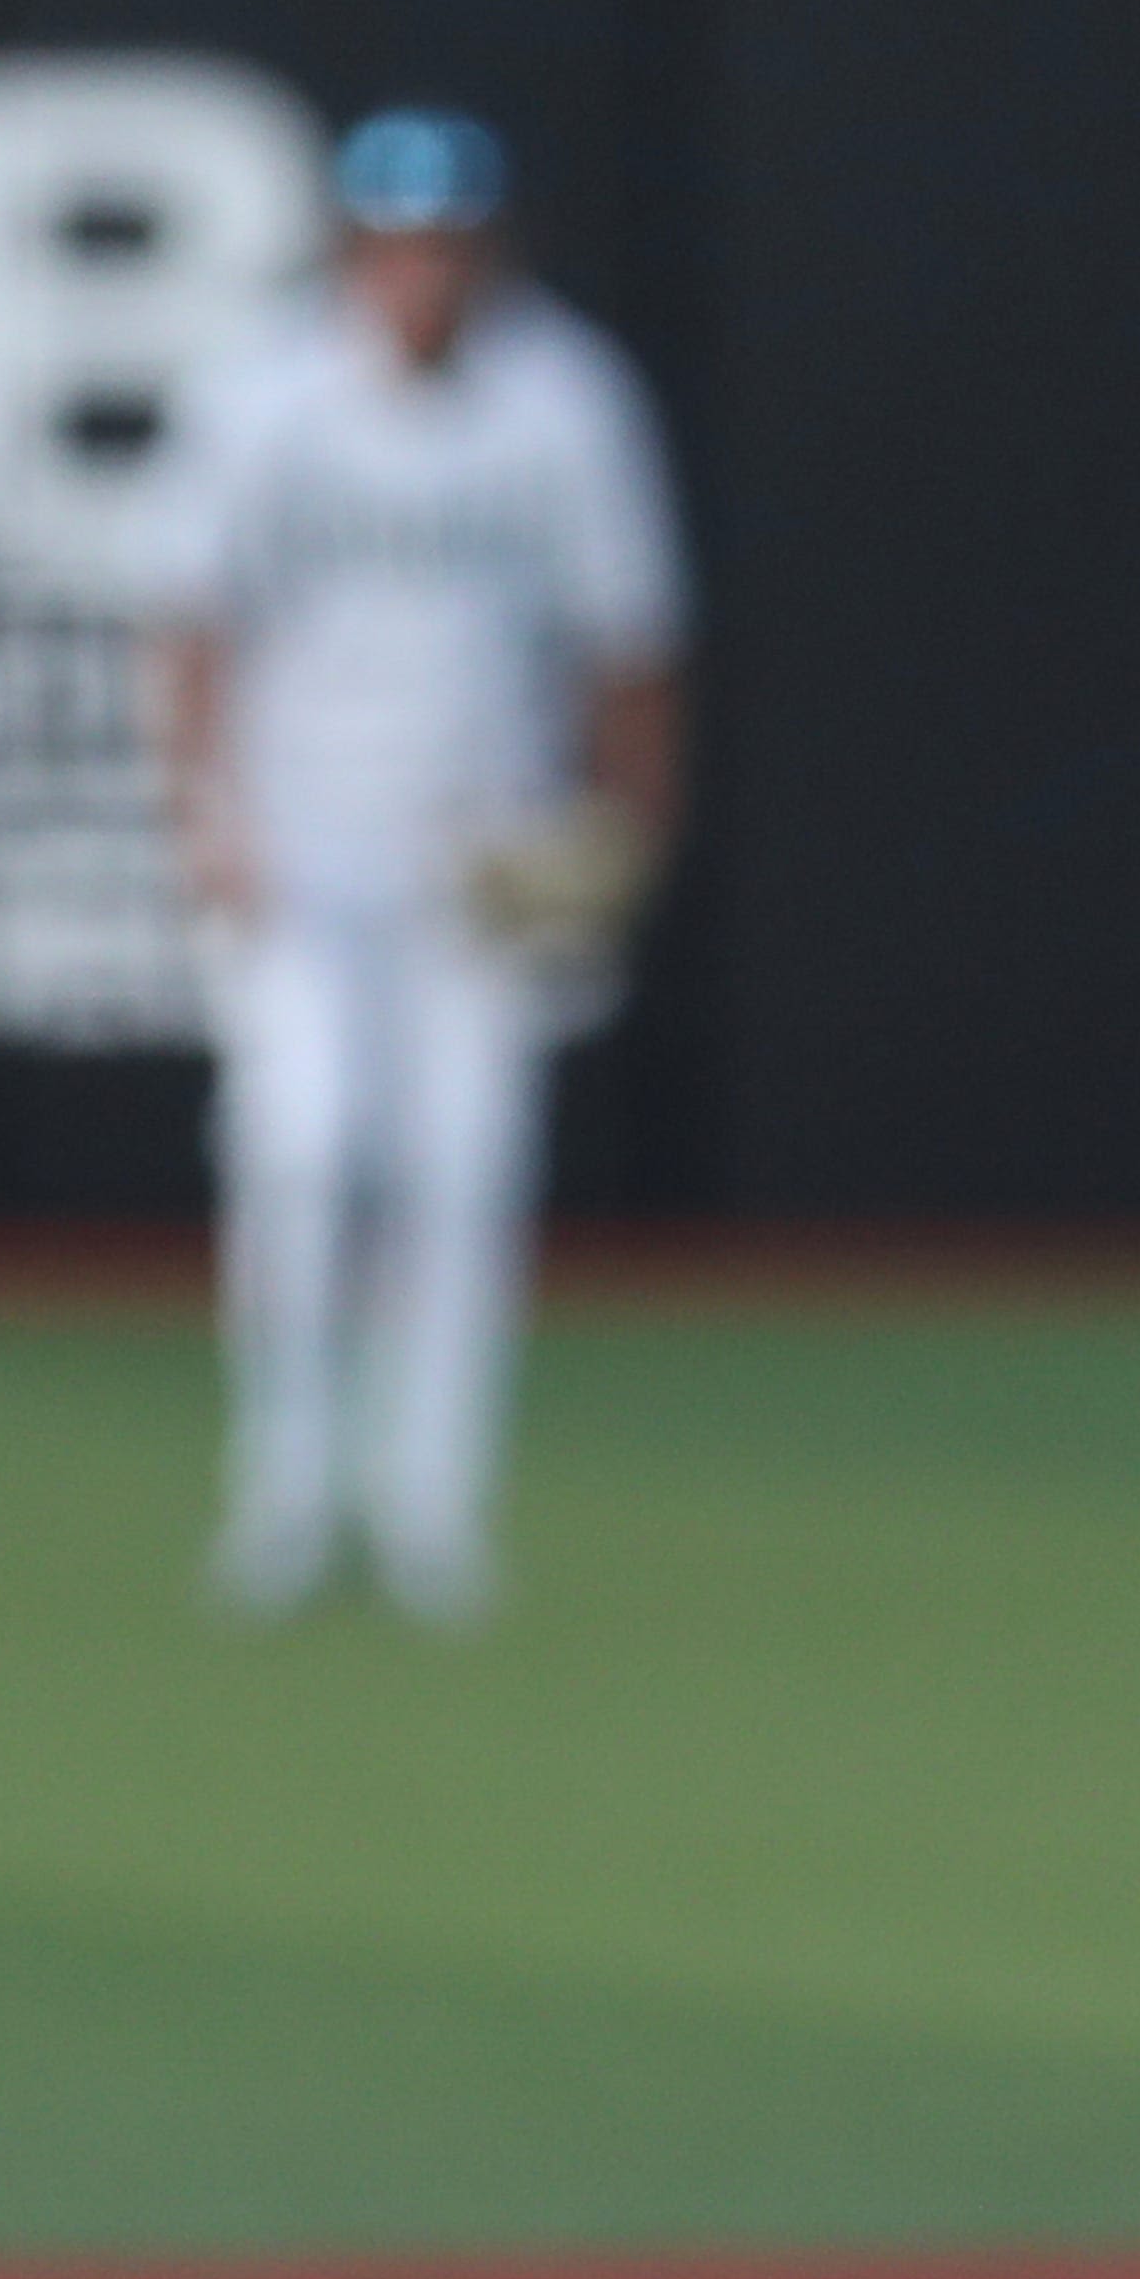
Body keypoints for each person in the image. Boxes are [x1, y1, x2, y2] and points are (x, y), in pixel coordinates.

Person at [147, 107, 686, 1622]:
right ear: (350, 247)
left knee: (462, 1171)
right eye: (393, 239)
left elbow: (631, 643)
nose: (419, 267)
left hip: (487, 840)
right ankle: (288, 1490)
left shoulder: (565, 399)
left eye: (445, 239)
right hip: (301, 831)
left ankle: (432, 1505)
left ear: (487, 246)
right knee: (301, 1150)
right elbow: (190, 623)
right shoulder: (265, 396)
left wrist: (622, 832)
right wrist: (207, 819)